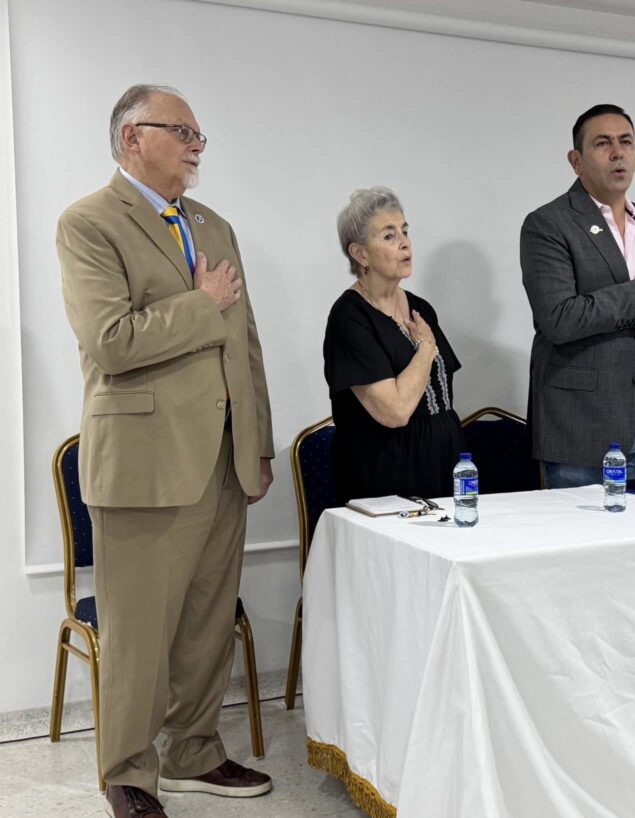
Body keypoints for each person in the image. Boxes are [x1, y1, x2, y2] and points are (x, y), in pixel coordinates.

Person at [56, 85, 274, 818]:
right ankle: (128, 773)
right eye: (182, 131)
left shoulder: (213, 224)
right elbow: (111, 343)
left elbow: (244, 344)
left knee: (208, 625)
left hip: (223, 459)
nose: (196, 146)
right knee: (139, 635)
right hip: (145, 463)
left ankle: (194, 752)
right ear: (130, 138)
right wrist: (199, 305)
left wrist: (260, 442)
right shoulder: (88, 223)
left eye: (199, 135)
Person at [520, 103, 635, 488]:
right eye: (603, 143)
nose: (618, 152)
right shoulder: (547, 224)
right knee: (578, 544)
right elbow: (559, 318)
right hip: (578, 427)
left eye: (626, 142)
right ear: (576, 161)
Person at [323, 187, 464, 505]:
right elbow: (395, 411)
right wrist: (426, 349)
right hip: (386, 472)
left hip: (444, 463)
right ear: (359, 254)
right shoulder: (350, 317)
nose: (405, 243)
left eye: (404, 231)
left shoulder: (421, 308)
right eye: (388, 236)